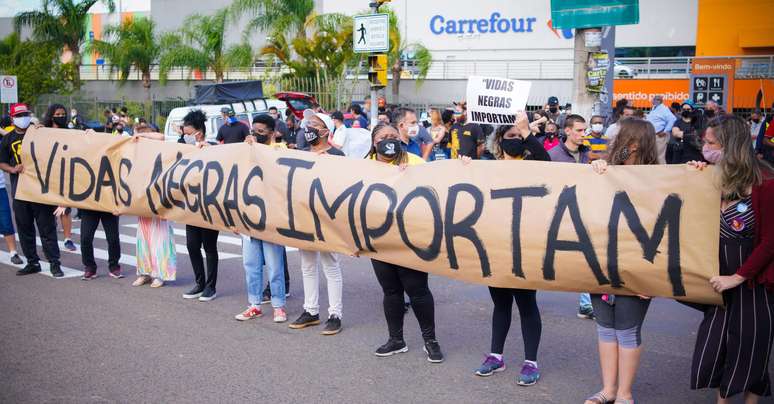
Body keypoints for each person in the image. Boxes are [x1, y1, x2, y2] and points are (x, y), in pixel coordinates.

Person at [688, 115, 774, 404]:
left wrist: (738, 277)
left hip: (754, 282)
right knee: (715, 348)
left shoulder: (766, 181)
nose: (706, 148)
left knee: (751, 347)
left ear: (731, 145)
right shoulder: (710, 176)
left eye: (711, 143)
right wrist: (691, 174)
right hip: (717, 281)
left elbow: (770, 241)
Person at [583, 118, 659, 404]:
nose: (612, 142)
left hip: (637, 268)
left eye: (619, 138)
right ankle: (608, 390)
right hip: (602, 265)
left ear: (635, 144)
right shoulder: (606, 172)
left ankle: (624, 393)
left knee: (627, 331)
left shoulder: (661, 180)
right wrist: (596, 170)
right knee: (605, 330)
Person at [474, 112, 545, 386]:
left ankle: (530, 361)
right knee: (500, 303)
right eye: (510, 136)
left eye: (519, 136)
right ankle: (496, 356)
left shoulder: (533, 163)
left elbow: (546, 161)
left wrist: (527, 132)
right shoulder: (487, 165)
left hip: (525, 244)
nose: (515, 140)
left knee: (527, 304)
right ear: (499, 141)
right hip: (496, 245)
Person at [367, 122, 443, 363]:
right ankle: (396, 339)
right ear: (374, 142)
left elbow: (439, 185)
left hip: (410, 237)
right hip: (379, 239)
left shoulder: (414, 162)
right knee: (390, 291)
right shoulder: (362, 166)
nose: (388, 138)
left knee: (418, 290)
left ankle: (430, 341)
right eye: (382, 136)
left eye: (392, 135)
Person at [288, 113, 344, 335]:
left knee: (331, 264)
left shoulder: (339, 156)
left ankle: (335, 315)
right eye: (308, 124)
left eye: (315, 124)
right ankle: (310, 311)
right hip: (304, 218)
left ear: (325, 131)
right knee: (307, 265)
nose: (309, 127)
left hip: (328, 219)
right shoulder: (300, 154)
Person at [235, 114, 288, 323]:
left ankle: (278, 306)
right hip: (248, 217)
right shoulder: (246, 152)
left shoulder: (280, 152)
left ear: (272, 133)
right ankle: (254, 304)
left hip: (271, 219)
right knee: (251, 264)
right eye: (253, 130)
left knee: (275, 265)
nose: (256, 134)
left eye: (261, 131)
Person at [0, 103, 63, 277]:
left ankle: (54, 263)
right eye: (19, 116)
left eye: (25, 115)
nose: (23, 118)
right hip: (20, 192)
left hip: (40, 191)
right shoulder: (8, 139)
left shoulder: (40, 133)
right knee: (25, 228)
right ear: (12, 119)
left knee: (47, 229)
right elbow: (2, 161)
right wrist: (12, 169)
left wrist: (43, 129)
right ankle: (32, 262)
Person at [547, 115, 596, 319]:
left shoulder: (589, 153)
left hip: (585, 211)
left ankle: (586, 303)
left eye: (585, 130)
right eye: (579, 130)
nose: (583, 134)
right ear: (567, 131)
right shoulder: (552, 155)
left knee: (589, 255)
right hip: (560, 214)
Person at [174, 110, 220, 301]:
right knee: (192, 245)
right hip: (191, 206)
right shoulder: (182, 147)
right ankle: (199, 283)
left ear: (199, 133)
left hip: (209, 207)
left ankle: (211, 287)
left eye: (188, 133)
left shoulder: (215, 148)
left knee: (209, 247)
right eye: (184, 133)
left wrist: (206, 149)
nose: (185, 136)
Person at [132, 125, 177, 288]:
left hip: (159, 203)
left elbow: (161, 137)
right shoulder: (137, 157)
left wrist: (143, 135)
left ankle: (160, 274)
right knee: (143, 240)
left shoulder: (161, 153)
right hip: (143, 204)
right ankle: (144, 273)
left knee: (160, 240)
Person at [42, 103, 76, 251]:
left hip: (65, 175)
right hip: (48, 176)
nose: (61, 117)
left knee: (65, 209)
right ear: (51, 116)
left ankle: (68, 238)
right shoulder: (44, 132)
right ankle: (50, 239)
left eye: (63, 114)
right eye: (58, 115)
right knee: (48, 211)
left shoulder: (70, 132)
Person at [0, 115, 22, 265]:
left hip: (0, 187)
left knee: (6, 221)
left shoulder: (3, 139)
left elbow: (11, 137)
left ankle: (13, 252)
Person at [646, 95, 677, 164]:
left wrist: (665, 131)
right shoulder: (654, 108)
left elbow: (673, 119)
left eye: (654, 99)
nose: (652, 101)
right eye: (653, 99)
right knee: (653, 156)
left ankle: (663, 172)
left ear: (659, 101)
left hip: (660, 136)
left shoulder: (663, 109)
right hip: (652, 135)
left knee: (659, 157)